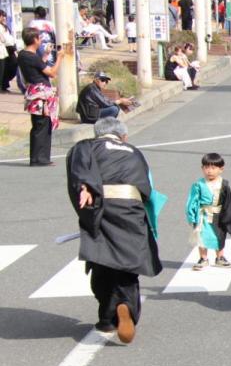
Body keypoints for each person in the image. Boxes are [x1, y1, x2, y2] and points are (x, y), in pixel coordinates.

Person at [66, 117, 164, 343]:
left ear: (97, 133)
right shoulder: (135, 152)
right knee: (128, 266)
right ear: (124, 136)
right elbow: (148, 188)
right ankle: (126, 306)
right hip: (131, 210)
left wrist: (84, 188)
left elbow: (80, 170)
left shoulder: (87, 146)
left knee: (102, 261)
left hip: (102, 208)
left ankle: (108, 319)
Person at [17, 27, 70, 166]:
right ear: (35, 40)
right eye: (39, 38)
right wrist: (59, 58)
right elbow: (51, 72)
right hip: (41, 95)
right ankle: (40, 158)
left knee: (39, 126)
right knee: (42, 126)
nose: (40, 40)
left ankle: (38, 158)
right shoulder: (32, 57)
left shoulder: (23, 54)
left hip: (34, 93)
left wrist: (45, 55)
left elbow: (38, 68)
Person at [185, 152, 231, 270]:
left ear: (221, 169)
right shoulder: (198, 184)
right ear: (202, 168)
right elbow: (192, 200)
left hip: (219, 215)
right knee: (202, 237)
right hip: (203, 215)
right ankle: (203, 258)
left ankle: (220, 257)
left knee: (219, 236)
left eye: (213, 168)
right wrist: (192, 215)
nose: (209, 171)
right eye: (206, 167)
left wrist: (227, 216)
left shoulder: (224, 184)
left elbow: (228, 201)